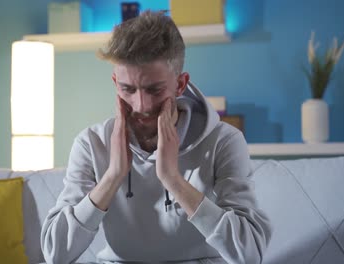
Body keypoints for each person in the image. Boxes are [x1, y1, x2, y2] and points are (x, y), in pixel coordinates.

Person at [41, 10, 272, 264]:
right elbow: (55, 254)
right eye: (128, 89)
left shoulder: (224, 141)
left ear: (180, 84)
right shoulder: (90, 144)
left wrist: (173, 180)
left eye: (154, 89)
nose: (141, 105)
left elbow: (250, 253)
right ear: (115, 83)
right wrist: (113, 175)